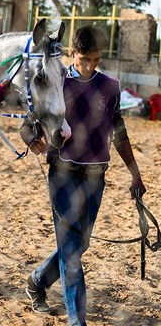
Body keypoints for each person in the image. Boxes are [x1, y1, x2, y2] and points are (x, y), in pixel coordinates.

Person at [20, 25, 146, 326]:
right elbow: (27, 125)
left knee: (79, 244)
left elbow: (119, 132)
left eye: (96, 59)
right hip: (62, 174)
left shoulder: (111, 87)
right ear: (72, 54)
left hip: (96, 177)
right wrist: (31, 140)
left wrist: (135, 174)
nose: (90, 66)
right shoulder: (56, 83)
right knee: (72, 254)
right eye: (84, 59)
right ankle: (78, 322)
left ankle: (37, 281)